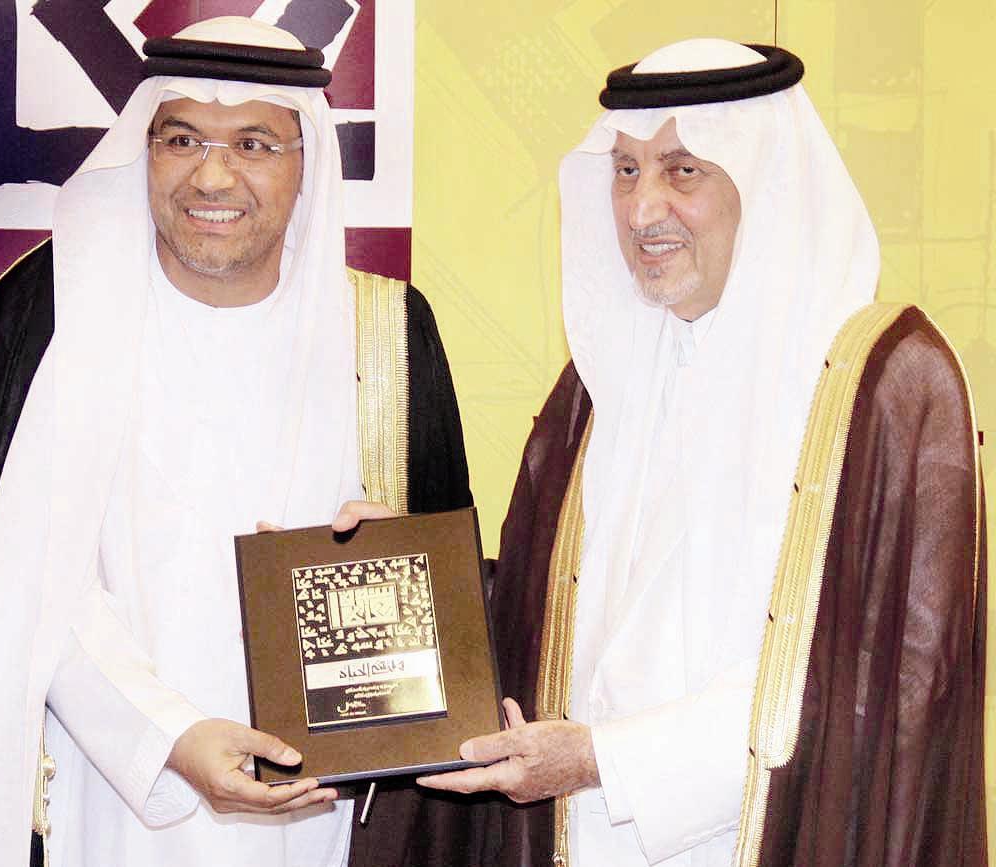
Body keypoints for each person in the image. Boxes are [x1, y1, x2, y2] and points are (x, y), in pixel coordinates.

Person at [0, 16, 481, 867]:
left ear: (307, 162)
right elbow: (15, 580)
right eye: (181, 139)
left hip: (323, 830)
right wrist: (168, 737)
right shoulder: (47, 316)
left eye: (254, 143)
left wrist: (401, 572)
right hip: (101, 809)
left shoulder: (386, 335)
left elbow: (455, 653)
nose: (213, 175)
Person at [419, 38, 986, 866]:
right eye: (625, 171)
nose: (640, 208)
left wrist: (606, 759)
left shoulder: (885, 386)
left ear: (763, 184)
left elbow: (883, 682)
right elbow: (542, 613)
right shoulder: (601, 379)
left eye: (682, 170)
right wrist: (407, 577)